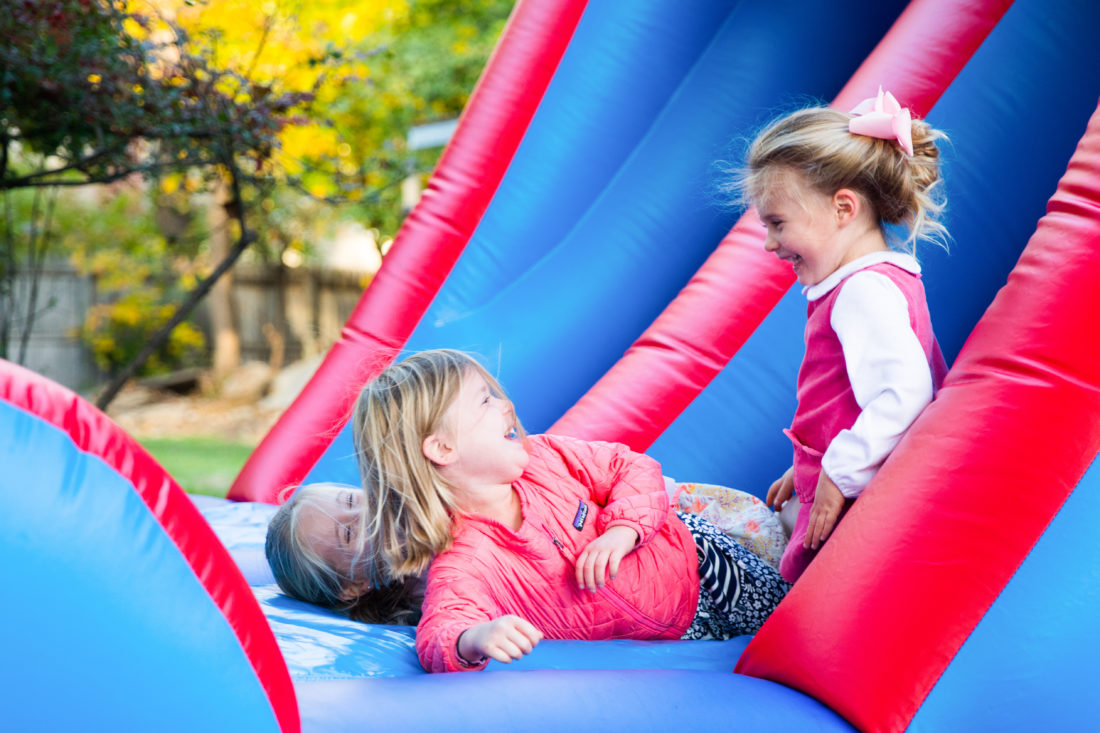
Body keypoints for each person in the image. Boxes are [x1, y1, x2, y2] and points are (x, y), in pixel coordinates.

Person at [327, 349, 788, 672]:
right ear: (443, 448)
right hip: (676, 629)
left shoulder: (545, 457)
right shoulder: (467, 556)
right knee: (764, 660)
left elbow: (632, 466)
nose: (506, 404)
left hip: (697, 559)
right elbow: (442, 626)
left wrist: (622, 531)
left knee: (789, 625)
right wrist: (474, 640)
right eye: (484, 401)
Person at [740, 88, 950, 582]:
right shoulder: (873, 280)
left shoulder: (863, 291)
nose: (770, 243)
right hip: (850, 485)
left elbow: (906, 392)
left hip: (856, 502)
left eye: (777, 223)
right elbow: (853, 399)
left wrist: (839, 469)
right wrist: (811, 460)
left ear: (843, 208)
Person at [265, 482, 424, 625]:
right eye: (348, 533)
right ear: (354, 586)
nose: (368, 511)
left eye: (350, 501)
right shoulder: (434, 598)